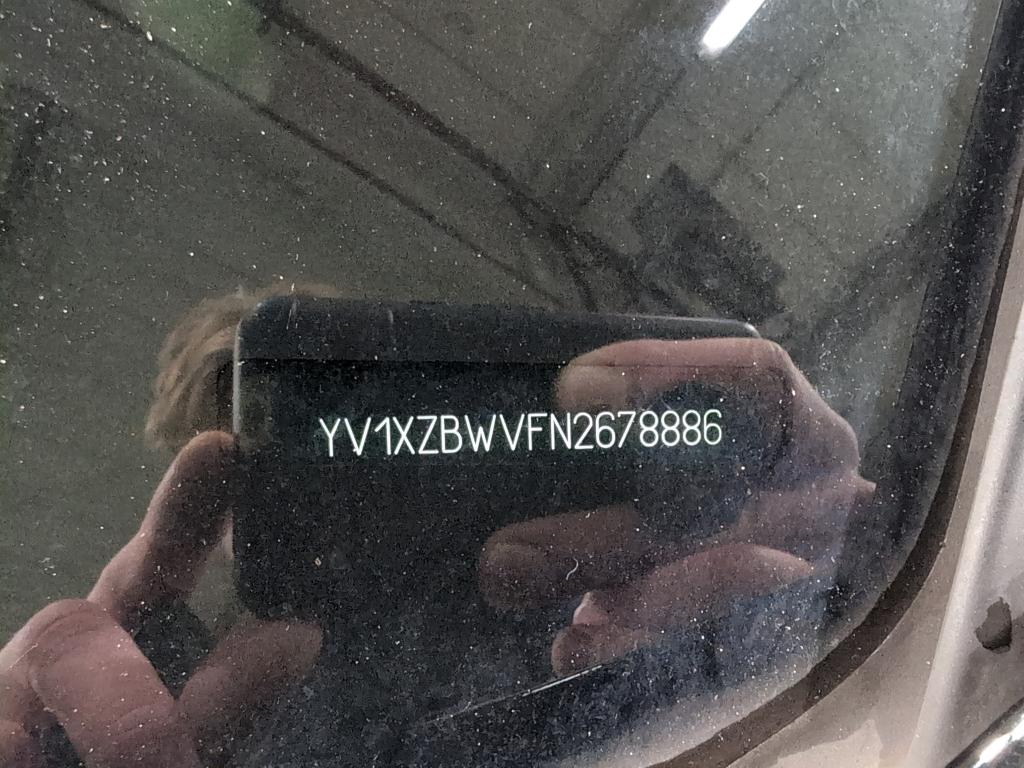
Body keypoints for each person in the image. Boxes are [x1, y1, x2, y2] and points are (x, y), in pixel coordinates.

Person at [0, 292, 872, 767]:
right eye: (249, 477)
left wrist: (825, 607)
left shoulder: (586, 607)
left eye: (323, 440)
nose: (302, 500)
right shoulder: (158, 683)